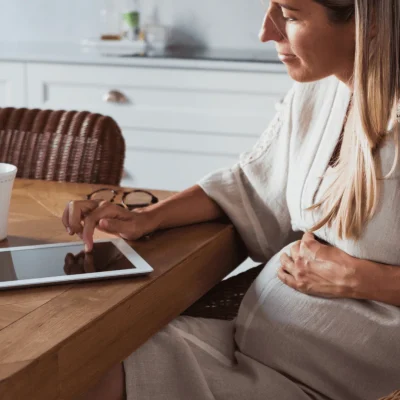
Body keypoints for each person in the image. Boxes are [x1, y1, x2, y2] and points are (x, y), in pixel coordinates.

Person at [62, 1, 400, 399]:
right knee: (79, 371)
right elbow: (254, 183)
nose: (266, 33)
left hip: (324, 383)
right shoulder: (317, 92)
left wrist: (365, 280)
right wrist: (147, 217)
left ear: (371, 21)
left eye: (290, 16)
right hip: (251, 346)